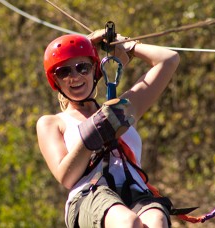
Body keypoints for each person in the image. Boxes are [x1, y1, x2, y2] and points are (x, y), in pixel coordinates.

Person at [37, 29, 180, 228]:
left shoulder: (123, 108)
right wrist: (94, 133)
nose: (75, 76)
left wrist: (128, 46)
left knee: (156, 221)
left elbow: (169, 59)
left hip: (135, 192)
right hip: (90, 195)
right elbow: (66, 176)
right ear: (56, 80)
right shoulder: (53, 122)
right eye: (64, 72)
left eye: (82, 67)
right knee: (128, 222)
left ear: (95, 70)